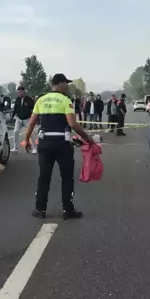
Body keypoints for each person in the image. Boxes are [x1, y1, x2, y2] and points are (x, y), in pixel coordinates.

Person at [24, 74, 94, 220]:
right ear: (59, 83)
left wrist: (26, 139)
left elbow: (32, 122)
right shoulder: (65, 100)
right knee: (67, 177)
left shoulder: (41, 100)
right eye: (65, 83)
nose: (67, 86)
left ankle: (40, 209)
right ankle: (68, 210)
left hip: (44, 143)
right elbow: (73, 124)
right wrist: (87, 138)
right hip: (62, 143)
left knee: (44, 177)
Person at [11, 86, 37, 154]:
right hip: (19, 119)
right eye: (18, 92)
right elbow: (15, 109)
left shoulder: (29, 100)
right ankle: (15, 147)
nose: (19, 94)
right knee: (15, 132)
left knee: (30, 133)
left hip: (27, 119)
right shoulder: (17, 99)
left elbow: (34, 109)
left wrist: (35, 117)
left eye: (20, 92)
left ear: (23, 91)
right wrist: (12, 116)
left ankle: (34, 148)